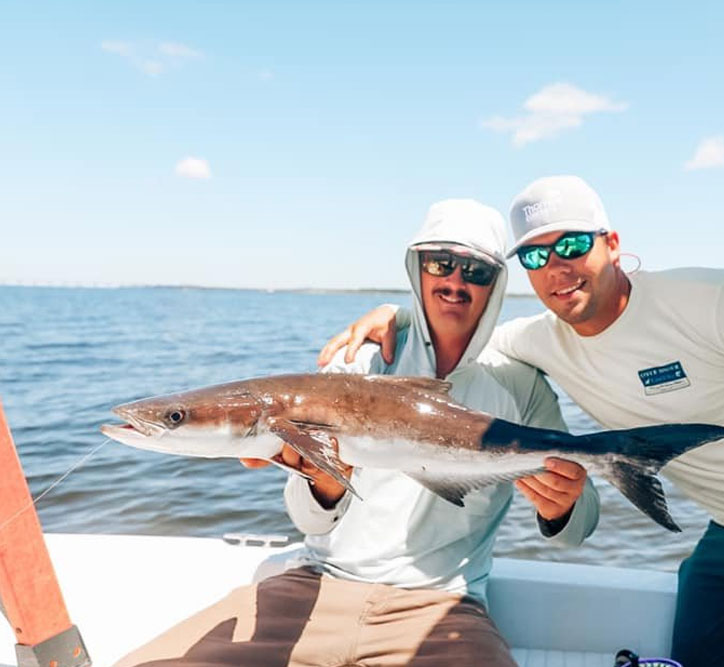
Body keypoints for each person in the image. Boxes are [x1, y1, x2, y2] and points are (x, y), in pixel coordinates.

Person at [319, 177, 724, 667]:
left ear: (612, 244)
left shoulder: (716, 299)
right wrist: (397, 316)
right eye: (535, 257)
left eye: (572, 244)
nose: (557, 268)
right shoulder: (538, 341)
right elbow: (461, 330)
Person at [114, 198, 599, 667]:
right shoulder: (359, 359)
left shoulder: (520, 385)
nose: (455, 281)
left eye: (474, 271)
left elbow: (580, 530)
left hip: (441, 606)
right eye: (440, 263)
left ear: (495, 284)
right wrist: (323, 487)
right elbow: (308, 522)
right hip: (316, 584)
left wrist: (564, 507)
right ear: (417, 269)